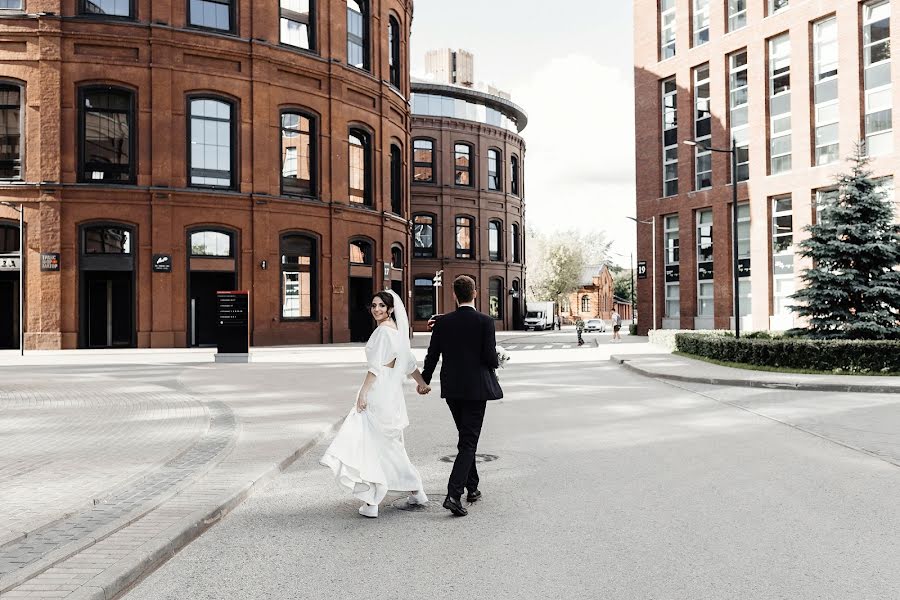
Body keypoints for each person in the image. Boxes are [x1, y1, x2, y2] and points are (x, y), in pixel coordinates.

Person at [320, 290, 431, 519]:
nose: (377, 309)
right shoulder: (398, 333)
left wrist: (363, 393)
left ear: (391, 309)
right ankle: (415, 490)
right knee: (388, 445)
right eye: (374, 305)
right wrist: (422, 384)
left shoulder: (382, 333)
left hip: (379, 394)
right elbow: (410, 365)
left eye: (382, 306)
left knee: (371, 446)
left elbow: (375, 368)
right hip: (392, 396)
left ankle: (372, 502)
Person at [422, 275, 502, 517]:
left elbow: (432, 355)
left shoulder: (442, 323)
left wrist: (424, 380)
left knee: (466, 438)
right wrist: (499, 359)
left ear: (454, 295)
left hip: (453, 390)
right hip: (477, 390)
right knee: (468, 441)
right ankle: (453, 495)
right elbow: (490, 358)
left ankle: (473, 488)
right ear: (475, 293)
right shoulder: (485, 321)